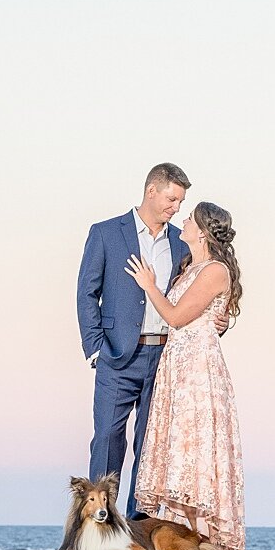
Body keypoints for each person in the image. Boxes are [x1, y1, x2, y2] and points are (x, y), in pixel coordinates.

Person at [127, 200, 247, 550]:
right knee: (181, 452)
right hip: (177, 367)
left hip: (197, 372)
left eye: (189, 218)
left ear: (203, 231)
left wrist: (149, 286)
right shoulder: (189, 267)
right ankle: (195, 539)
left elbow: (178, 316)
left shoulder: (214, 270)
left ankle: (216, 547)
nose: (182, 220)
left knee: (198, 449)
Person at [76, 163, 190, 518]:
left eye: (181, 202)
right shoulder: (107, 233)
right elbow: (86, 293)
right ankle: (96, 528)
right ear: (152, 190)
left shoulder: (180, 242)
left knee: (151, 448)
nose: (176, 207)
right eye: (172, 199)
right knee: (107, 440)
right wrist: (96, 349)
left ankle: (138, 529)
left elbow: (193, 294)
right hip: (117, 357)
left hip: (164, 358)